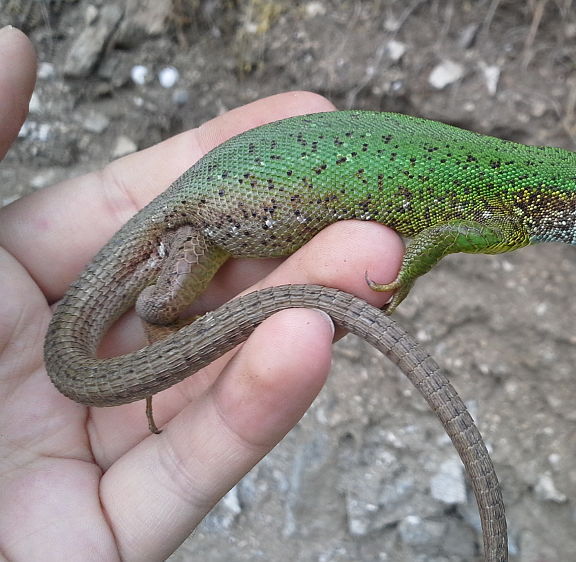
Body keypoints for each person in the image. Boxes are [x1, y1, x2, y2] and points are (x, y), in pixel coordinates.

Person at [0, 26, 403, 559]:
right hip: (196, 221)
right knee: (160, 305)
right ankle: (156, 299)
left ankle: (158, 291)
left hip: (200, 218)